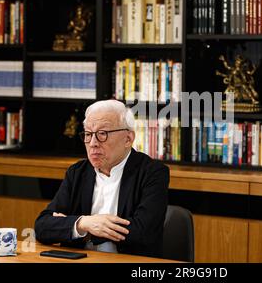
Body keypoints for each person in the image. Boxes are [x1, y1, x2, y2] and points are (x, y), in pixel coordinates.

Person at [35, 100, 170, 258]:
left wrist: (78, 228)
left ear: (128, 138)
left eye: (102, 134)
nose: (93, 143)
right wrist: (83, 223)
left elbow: (143, 233)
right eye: (88, 134)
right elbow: (43, 226)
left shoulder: (152, 173)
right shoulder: (77, 172)